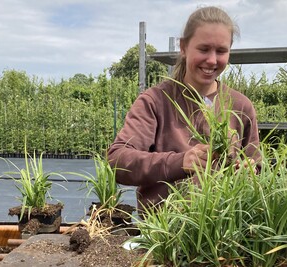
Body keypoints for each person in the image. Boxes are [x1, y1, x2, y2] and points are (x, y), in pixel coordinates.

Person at [107, 6, 260, 211]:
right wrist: (179, 162)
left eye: (221, 51)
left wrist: (250, 171)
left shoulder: (240, 106)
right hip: (163, 235)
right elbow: (118, 160)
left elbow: (256, 164)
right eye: (204, 49)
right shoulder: (155, 101)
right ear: (183, 47)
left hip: (225, 233)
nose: (212, 60)